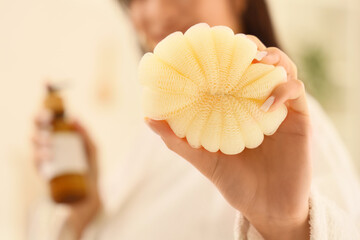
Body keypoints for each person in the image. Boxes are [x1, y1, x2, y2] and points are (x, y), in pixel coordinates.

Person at [31, 0, 360, 239]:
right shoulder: (159, 131)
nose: (153, 12)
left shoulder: (287, 130)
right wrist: (87, 205)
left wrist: (286, 227)